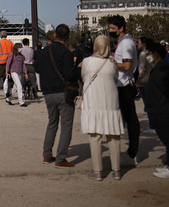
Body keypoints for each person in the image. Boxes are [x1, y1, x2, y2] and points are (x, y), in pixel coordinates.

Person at [80, 35, 124, 181]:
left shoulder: (87, 62)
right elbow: (116, 78)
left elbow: (83, 77)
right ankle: (116, 170)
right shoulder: (113, 63)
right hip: (110, 102)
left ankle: (98, 171)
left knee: (95, 136)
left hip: (93, 101)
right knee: (114, 137)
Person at [34, 24, 78, 167]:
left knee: (52, 123)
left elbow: (37, 69)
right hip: (63, 92)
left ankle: (47, 155)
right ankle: (61, 158)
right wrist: (79, 68)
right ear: (68, 37)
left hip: (48, 93)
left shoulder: (43, 52)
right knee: (66, 126)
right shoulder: (66, 52)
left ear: (54, 35)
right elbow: (70, 74)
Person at [107, 15, 140, 163]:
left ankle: (133, 150)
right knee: (128, 118)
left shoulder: (126, 43)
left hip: (125, 85)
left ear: (121, 29)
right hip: (122, 84)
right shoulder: (124, 42)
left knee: (130, 118)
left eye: (112, 28)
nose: (110, 31)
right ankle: (132, 149)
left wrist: (112, 62)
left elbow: (126, 66)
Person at [144, 41, 169, 178]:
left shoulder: (163, 68)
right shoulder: (158, 67)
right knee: (166, 138)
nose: (147, 56)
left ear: (156, 54)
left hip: (164, 109)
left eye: (149, 53)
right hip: (158, 109)